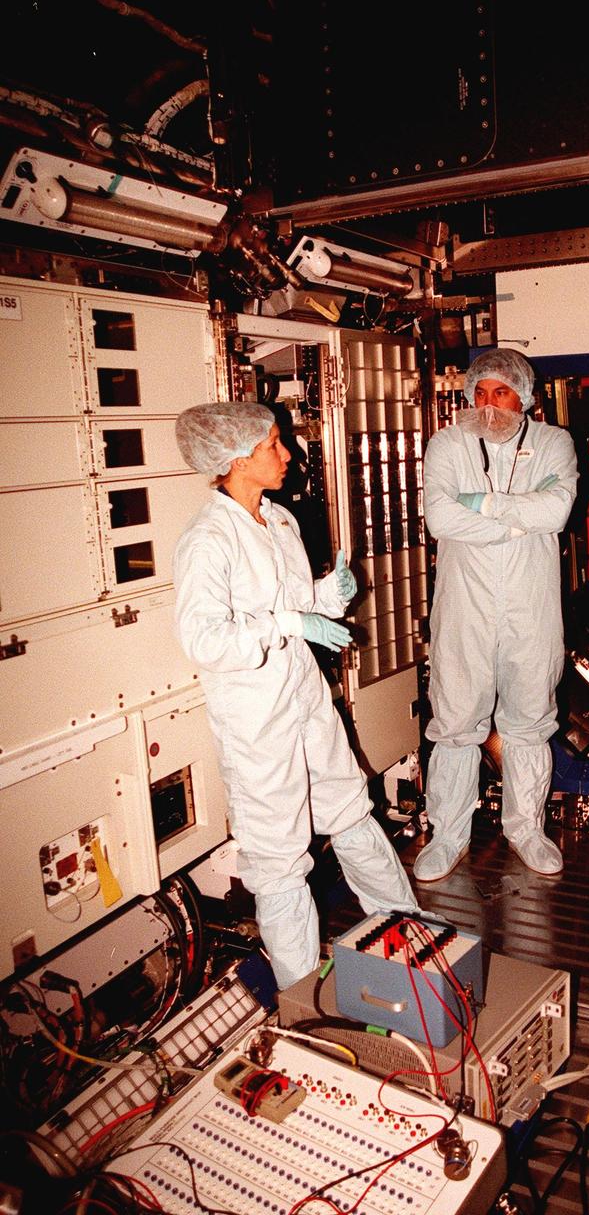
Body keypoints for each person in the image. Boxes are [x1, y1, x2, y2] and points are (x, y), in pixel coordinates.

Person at [172, 402, 417, 989]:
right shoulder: (207, 539)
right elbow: (203, 639)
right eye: (274, 446)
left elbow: (296, 606)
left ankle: (413, 935)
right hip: (255, 715)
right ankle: (304, 994)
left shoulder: (278, 519)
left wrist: (328, 595)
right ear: (234, 459)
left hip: (304, 694)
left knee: (351, 811)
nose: (288, 455)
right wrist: (288, 622)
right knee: (280, 859)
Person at [415, 349, 578, 882]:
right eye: (479, 393)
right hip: (466, 608)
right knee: (457, 722)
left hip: (531, 609)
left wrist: (480, 505)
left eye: (500, 393)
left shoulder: (554, 443)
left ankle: (526, 829)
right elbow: (439, 517)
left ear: (524, 397)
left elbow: (557, 511)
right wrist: (518, 521)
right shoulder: (447, 444)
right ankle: (448, 834)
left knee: (530, 719)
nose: (488, 405)